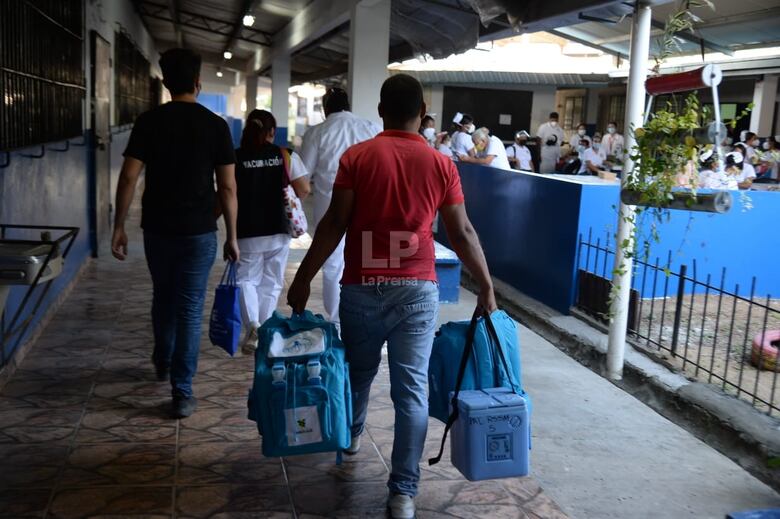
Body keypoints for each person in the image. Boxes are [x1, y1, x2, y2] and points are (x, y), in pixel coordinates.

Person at [287, 74, 496, 519]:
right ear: (422, 113)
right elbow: (461, 231)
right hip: (417, 289)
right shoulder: (441, 164)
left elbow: (334, 223)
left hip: (361, 286)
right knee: (411, 391)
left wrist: (304, 277)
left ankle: (351, 440)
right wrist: (486, 285)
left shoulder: (357, 157)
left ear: (381, 111)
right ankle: (403, 493)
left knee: (358, 375)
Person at [111, 48, 239, 418]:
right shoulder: (216, 126)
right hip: (198, 232)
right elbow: (227, 188)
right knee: (189, 308)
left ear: (166, 83)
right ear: (198, 83)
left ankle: (162, 358)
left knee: (163, 297)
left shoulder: (148, 122)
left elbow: (129, 176)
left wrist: (119, 225)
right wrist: (231, 235)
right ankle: (182, 391)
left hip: (157, 229)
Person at [299, 87, 380, 324]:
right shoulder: (371, 128)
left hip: (330, 206)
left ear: (325, 108)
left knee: (333, 264)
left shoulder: (317, 132)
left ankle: (336, 321)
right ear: (348, 105)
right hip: (368, 204)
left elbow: (304, 174)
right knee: (368, 260)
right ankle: (366, 317)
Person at [234, 110, 311, 353]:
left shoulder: (236, 157)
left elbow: (226, 190)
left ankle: (253, 326)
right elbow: (304, 189)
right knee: (272, 281)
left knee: (246, 279)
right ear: (272, 132)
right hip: (278, 229)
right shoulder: (285, 155)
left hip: (246, 230)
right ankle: (264, 329)